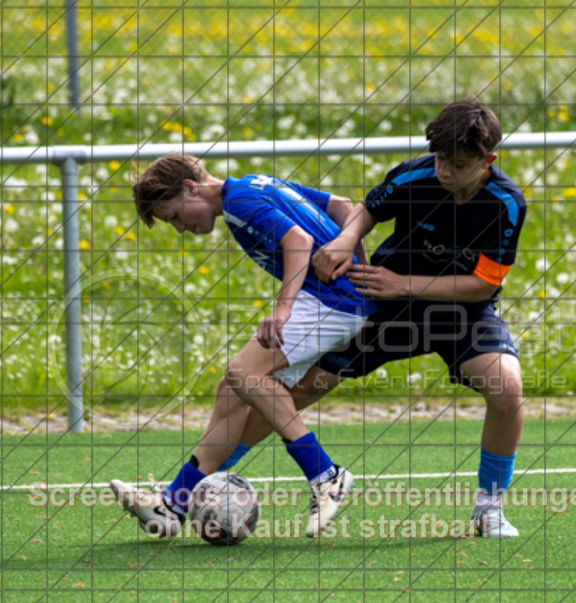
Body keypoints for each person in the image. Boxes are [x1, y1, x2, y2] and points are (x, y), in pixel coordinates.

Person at [220, 98, 528, 538]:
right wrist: (346, 239)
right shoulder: (415, 174)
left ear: (488, 161)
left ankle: (489, 507)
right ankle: (208, 477)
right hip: (386, 304)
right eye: (440, 158)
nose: (443, 170)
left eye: (457, 164)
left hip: (459, 309)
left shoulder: (506, 204)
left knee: (507, 386)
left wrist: (402, 284)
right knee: (304, 387)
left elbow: (484, 284)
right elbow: (367, 209)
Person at [110, 154, 372, 539]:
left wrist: (283, 308)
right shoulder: (255, 183)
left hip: (331, 301)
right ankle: (172, 506)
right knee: (232, 390)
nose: (181, 229)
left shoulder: (239, 201)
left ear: (189, 188)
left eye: (174, 217)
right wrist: (360, 270)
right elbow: (343, 207)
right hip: (339, 298)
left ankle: (326, 476)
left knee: (242, 373)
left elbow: (297, 241)